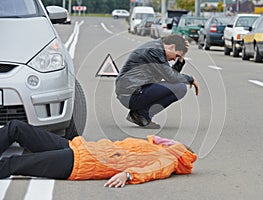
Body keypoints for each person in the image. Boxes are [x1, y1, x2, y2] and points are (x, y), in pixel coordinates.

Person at [0, 120, 197, 188]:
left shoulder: (167, 160)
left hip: (77, 163)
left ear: (180, 151)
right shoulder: (156, 148)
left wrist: (127, 175)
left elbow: (151, 172)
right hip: (77, 147)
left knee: (14, 163)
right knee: (16, 128)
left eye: (176, 143)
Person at [115, 34, 199, 129]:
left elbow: (171, 76)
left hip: (133, 91)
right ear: (172, 47)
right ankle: (141, 114)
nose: (174, 59)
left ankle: (141, 114)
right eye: (176, 55)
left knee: (179, 87)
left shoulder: (157, 48)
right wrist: (190, 79)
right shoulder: (155, 51)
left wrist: (181, 59)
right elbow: (171, 77)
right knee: (180, 87)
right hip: (131, 94)